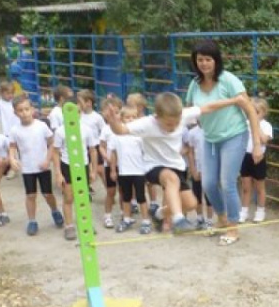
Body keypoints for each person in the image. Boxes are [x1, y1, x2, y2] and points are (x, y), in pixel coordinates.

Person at [109, 92, 228, 235]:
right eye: (169, 124)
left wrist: (234, 101)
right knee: (171, 179)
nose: (173, 127)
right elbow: (121, 130)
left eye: (177, 123)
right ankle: (178, 219)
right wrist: (113, 122)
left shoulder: (182, 114)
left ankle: (159, 214)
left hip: (176, 166)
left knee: (191, 203)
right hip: (153, 166)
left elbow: (207, 108)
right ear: (157, 116)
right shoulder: (146, 123)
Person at [185, 39, 263, 246]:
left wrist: (256, 143)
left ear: (216, 60)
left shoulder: (230, 81)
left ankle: (233, 228)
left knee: (227, 182)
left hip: (234, 136)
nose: (204, 63)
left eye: (208, 59)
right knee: (209, 184)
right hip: (210, 138)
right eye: (200, 59)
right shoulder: (194, 84)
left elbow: (251, 112)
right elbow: (191, 110)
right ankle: (222, 219)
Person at [8, 95, 64, 235]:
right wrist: (12, 159)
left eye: (27, 109)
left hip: (43, 167)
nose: (24, 112)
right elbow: (12, 147)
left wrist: (47, 160)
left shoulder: (41, 126)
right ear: (15, 113)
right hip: (27, 169)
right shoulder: (15, 130)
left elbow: (52, 144)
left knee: (47, 194)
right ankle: (32, 221)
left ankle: (55, 211)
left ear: (32, 109)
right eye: (20, 110)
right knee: (30, 195)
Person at [53, 105, 97, 241]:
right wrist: (58, 173)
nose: (74, 115)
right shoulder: (60, 131)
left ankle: (86, 223)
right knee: (69, 197)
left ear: (80, 113)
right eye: (69, 112)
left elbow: (92, 150)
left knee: (83, 197)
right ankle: (69, 226)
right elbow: (55, 152)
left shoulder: (87, 130)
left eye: (77, 111)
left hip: (82, 166)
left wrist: (93, 170)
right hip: (67, 166)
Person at [108, 106, 151, 234]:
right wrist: (113, 170)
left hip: (138, 171)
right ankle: (127, 219)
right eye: (127, 117)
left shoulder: (140, 136)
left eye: (133, 117)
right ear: (121, 118)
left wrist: (147, 171)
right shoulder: (116, 136)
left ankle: (145, 221)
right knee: (125, 197)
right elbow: (113, 154)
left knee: (141, 197)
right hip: (124, 171)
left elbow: (146, 154)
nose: (131, 119)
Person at [239, 97, 273, 223]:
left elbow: (264, 140)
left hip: (259, 157)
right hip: (245, 156)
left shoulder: (266, 125)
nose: (254, 114)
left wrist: (256, 125)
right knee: (246, 186)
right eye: (252, 111)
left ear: (264, 113)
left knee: (260, 187)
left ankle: (260, 211)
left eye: (257, 112)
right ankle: (244, 211)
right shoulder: (245, 123)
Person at [98, 95, 123, 228]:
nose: (113, 115)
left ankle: (124, 213)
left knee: (124, 191)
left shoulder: (124, 127)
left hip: (124, 165)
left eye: (117, 112)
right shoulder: (105, 129)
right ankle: (107, 215)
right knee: (111, 192)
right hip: (110, 165)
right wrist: (105, 156)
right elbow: (101, 146)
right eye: (109, 112)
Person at [186, 120, 213, 230]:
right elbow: (191, 152)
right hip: (197, 168)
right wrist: (193, 168)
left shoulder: (212, 130)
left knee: (209, 196)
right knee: (197, 194)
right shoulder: (192, 132)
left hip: (209, 168)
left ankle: (210, 220)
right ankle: (200, 217)